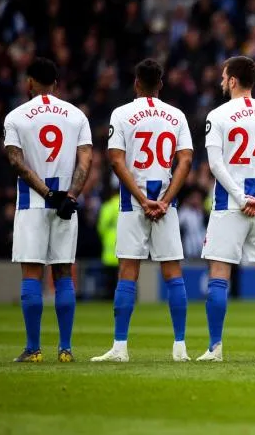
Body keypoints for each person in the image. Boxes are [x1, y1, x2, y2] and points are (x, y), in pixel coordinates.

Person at [91, 59, 194, 363]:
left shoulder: (121, 114)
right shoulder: (176, 115)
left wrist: (140, 198)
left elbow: (115, 159)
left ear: (136, 83)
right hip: (166, 204)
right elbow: (186, 160)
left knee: (127, 273)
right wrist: (164, 200)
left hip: (131, 204)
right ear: (160, 84)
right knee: (173, 274)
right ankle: (180, 347)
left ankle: (120, 347)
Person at [198, 56, 255, 362]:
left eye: (224, 77)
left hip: (230, 205)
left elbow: (215, 164)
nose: (222, 82)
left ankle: (215, 348)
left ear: (233, 81)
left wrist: (240, 198)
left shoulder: (219, 115)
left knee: (219, 275)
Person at [3, 57, 93, 362]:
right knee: (63, 272)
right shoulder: (76, 115)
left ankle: (33, 348)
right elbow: (86, 160)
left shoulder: (16, 117)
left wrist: (47, 194)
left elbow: (16, 162)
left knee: (32, 273)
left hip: (33, 204)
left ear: (29, 82)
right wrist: (70, 195)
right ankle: (65, 349)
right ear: (56, 83)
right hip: (66, 205)